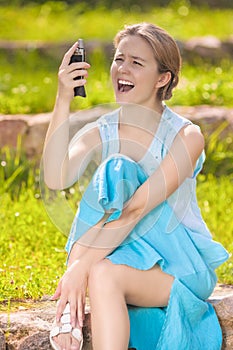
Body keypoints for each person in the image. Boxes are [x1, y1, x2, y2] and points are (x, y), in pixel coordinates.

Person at [43, 23, 229, 350]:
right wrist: (63, 99)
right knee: (104, 272)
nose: (122, 69)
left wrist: (78, 267)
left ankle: (73, 288)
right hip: (124, 254)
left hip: (180, 264)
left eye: (136, 62)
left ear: (163, 78)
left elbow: (138, 208)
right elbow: (56, 178)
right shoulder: (104, 129)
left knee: (119, 170)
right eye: (119, 59)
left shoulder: (187, 137)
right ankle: (77, 287)